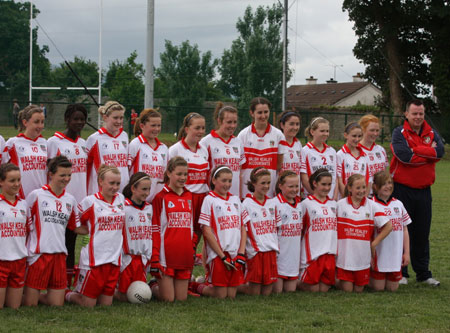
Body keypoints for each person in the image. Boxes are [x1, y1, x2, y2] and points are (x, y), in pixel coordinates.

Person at [390, 99, 444, 286]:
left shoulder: (432, 133)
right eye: (414, 113)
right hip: (402, 189)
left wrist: (418, 151)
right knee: (400, 231)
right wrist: (429, 153)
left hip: (424, 190)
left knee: (422, 232)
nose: (418, 117)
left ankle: (423, 273)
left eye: (421, 113)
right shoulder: (399, 133)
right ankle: (401, 272)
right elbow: (404, 157)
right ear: (406, 114)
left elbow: (440, 153)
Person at [23, 156, 85, 306]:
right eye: (62, 175)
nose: (66, 179)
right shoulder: (36, 195)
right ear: (51, 174)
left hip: (59, 254)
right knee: (30, 304)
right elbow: (24, 224)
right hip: (39, 254)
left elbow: (75, 227)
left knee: (56, 304)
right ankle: (16, 293)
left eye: (69, 175)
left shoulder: (70, 200)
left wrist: (99, 227)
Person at [66, 165, 125, 307]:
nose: (115, 187)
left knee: (105, 305)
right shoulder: (90, 201)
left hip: (114, 260)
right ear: (100, 182)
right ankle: (66, 293)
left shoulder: (121, 199)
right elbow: (71, 220)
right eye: (111, 183)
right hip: (94, 261)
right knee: (88, 305)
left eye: (117, 183)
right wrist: (85, 231)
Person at [47, 104, 88, 288]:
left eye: (82, 119)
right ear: (67, 120)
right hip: (59, 202)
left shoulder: (83, 143)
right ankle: (52, 281)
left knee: (71, 243)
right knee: (57, 243)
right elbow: (47, 172)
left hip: (77, 202)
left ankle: (66, 283)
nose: (79, 122)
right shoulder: (54, 142)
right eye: (75, 119)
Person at [193, 166, 248, 299]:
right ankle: (194, 286)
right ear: (213, 180)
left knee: (231, 295)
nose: (227, 184)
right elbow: (206, 231)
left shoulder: (235, 200)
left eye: (230, 181)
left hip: (235, 253)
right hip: (219, 253)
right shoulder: (209, 200)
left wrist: (241, 253)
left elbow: (243, 227)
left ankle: (205, 281)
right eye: (223, 180)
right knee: (220, 295)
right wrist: (222, 256)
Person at [150, 157, 195, 302]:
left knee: (181, 299)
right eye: (179, 174)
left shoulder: (189, 195)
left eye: (185, 174)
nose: (183, 178)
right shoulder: (160, 197)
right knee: (168, 299)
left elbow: (191, 227)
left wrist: (192, 247)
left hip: (183, 253)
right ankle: (151, 286)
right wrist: (156, 257)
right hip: (166, 256)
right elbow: (156, 229)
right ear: (169, 173)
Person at [336, 174, 392, 292]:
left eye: (364, 187)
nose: (361, 191)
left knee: (358, 290)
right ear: (349, 188)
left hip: (363, 258)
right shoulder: (340, 205)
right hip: (345, 258)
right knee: (347, 290)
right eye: (358, 188)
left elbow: (388, 226)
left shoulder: (371, 205)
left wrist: (374, 244)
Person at [169, 112, 209, 247]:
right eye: (197, 128)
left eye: (203, 128)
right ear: (187, 129)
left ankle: (190, 263)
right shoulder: (175, 150)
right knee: (183, 236)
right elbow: (168, 176)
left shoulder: (204, 149)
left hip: (202, 198)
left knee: (198, 235)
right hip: (185, 198)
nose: (201, 131)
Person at [239, 167, 279, 296]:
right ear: (253, 183)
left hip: (270, 250)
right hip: (255, 251)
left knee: (267, 292)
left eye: (268, 183)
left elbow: (276, 227)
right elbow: (243, 229)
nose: (266, 186)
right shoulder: (246, 203)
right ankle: (232, 287)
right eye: (263, 183)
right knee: (254, 292)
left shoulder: (273, 203)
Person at [370, 171, 411, 292]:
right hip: (379, 254)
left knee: (392, 289)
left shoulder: (398, 204)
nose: (388, 186)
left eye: (390, 183)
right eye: (384, 184)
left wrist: (407, 253)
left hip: (395, 255)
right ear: (375, 187)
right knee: (378, 288)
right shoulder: (371, 204)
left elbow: (404, 229)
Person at [115, 172, 153, 302]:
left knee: (139, 294)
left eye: (148, 189)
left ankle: (154, 283)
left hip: (142, 259)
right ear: (133, 188)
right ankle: (105, 290)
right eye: (143, 189)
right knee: (124, 297)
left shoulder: (149, 208)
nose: (147, 193)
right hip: (127, 259)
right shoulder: (123, 207)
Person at [298, 168, 337, 293]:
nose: (327, 188)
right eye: (323, 184)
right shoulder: (306, 204)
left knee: (324, 289)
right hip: (313, 256)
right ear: (315, 183)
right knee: (313, 290)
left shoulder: (334, 204)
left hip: (329, 254)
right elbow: (300, 230)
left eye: (329, 184)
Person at [238, 97, 284, 198]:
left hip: (269, 191)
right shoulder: (243, 135)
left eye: (266, 112)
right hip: (247, 191)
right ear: (252, 113)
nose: (263, 116)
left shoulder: (278, 135)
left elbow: (278, 165)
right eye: (259, 112)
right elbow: (239, 166)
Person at [200, 103, 245, 197]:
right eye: (229, 122)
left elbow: (240, 174)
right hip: (214, 198)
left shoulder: (238, 142)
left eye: (235, 122)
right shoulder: (206, 142)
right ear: (219, 121)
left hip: (234, 198)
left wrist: (240, 197)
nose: (232, 126)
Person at [3, 105, 47, 198]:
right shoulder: (13, 143)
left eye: (42, 122)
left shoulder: (45, 143)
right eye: (36, 122)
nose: (40, 126)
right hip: (20, 198)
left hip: (41, 199)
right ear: (25, 122)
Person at [0, 164, 28, 309]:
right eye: (12, 181)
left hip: (19, 261)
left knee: (14, 307)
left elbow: (28, 230)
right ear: (1, 181)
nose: (16, 184)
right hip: (1, 261)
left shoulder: (24, 204)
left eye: (18, 180)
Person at [86, 101, 129, 194]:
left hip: (122, 190)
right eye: (115, 118)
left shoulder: (124, 136)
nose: (119, 121)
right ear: (105, 117)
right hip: (102, 192)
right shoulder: (94, 139)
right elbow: (86, 166)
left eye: (121, 118)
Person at [271, 170, 303, 294]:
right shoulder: (275, 204)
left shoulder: (300, 205)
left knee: (290, 291)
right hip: (279, 257)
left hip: (293, 258)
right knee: (277, 291)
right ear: (280, 186)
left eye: (297, 186)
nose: (295, 189)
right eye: (291, 186)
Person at [128, 108, 168, 203]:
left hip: (158, 201)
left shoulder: (164, 148)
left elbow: (165, 175)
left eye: (159, 125)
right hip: (138, 200)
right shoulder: (136, 144)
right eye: (153, 125)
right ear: (142, 126)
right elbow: (127, 171)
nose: (157, 129)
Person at [301, 117, 338, 200]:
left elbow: (335, 177)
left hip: (330, 199)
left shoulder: (332, 151)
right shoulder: (305, 151)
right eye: (322, 131)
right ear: (312, 131)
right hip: (312, 198)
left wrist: (335, 197)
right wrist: (316, 196)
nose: (325, 134)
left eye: (327, 131)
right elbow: (304, 178)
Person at [336, 122, 369, 197]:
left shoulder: (364, 155)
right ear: (346, 135)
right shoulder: (340, 155)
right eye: (354, 136)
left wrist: (364, 198)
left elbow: (368, 180)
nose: (357, 139)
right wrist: (347, 198)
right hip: (344, 198)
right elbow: (339, 180)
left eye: (359, 136)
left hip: (360, 198)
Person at [358, 115, 388, 194]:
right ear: (363, 130)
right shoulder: (356, 150)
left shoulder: (381, 150)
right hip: (363, 195)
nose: (375, 133)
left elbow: (384, 173)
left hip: (379, 195)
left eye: (377, 130)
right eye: (372, 130)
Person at [278, 111, 302, 194]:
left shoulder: (298, 144)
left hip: (295, 191)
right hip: (281, 191)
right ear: (282, 125)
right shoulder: (277, 142)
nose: (295, 127)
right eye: (291, 124)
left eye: (297, 124)